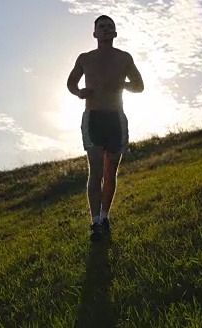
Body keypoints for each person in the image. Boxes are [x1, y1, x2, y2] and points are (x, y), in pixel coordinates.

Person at [66, 15, 145, 241]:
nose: (106, 29)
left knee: (111, 173)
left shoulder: (124, 58)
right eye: (101, 27)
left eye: (110, 26)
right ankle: (95, 223)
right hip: (93, 117)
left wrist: (123, 84)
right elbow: (71, 83)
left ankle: (104, 215)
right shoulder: (85, 59)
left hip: (116, 118)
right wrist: (79, 92)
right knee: (96, 171)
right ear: (95, 33)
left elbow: (139, 86)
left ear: (115, 33)